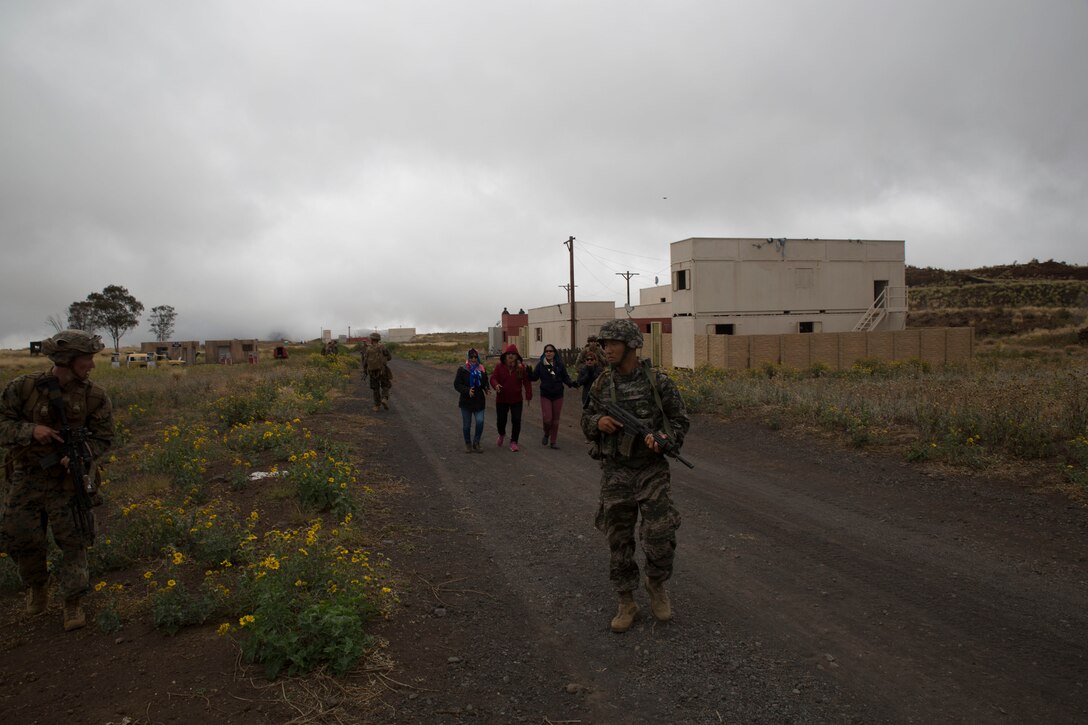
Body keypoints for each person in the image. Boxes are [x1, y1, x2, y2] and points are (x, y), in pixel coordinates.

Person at [581, 319, 689, 633]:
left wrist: (666, 441)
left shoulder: (658, 382)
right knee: (618, 538)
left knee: (659, 534)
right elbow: (586, 418)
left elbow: (680, 420)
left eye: (613, 343)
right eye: (604, 344)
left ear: (630, 345)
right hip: (616, 470)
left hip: (651, 469)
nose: (607, 349)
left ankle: (656, 584)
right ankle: (626, 600)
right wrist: (598, 422)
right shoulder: (602, 383)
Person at [0, 329, 113, 631]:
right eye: (87, 359)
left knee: (75, 538)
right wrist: (30, 431)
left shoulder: (94, 396)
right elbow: (3, 424)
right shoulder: (22, 388)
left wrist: (80, 456)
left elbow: (104, 438)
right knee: (21, 537)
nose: (91, 365)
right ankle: (38, 587)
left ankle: (72, 601)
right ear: (67, 359)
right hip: (26, 477)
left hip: (66, 481)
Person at [489, 343, 532, 452]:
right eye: (509, 354)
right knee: (501, 421)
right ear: (505, 356)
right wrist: (496, 385)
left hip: (516, 399)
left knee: (516, 420)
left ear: (517, 356)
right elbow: (493, 378)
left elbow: (526, 382)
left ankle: (514, 441)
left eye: (513, 354)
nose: (511, 356)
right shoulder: (499, 366)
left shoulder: (521, 368)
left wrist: (528, 395)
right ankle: (502, 434)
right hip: (502, 399)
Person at [532, 343, 575, 449]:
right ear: (544, 353)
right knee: (547, 419)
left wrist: (572, 383)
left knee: (555, 420)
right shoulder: (541, 365)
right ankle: (546, 433)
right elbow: (534, 378)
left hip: (558, 394)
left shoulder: (559, 365)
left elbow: (565, 377)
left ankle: (553, 441)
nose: (549, 353)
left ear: (554, 353)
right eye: (546, 351)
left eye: (551, 351)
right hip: (546, 394)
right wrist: (528, 374)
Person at [453, 348, 490, 453]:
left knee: (480, 421)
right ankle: (468, 443)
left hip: (479, 401)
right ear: (468, 358)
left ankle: (476, 442)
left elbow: (485, 382)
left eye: (475, 357)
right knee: (466, 425)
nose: (473, 359)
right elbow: (457, 384)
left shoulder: (482, 369)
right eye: (471, 357)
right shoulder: (462, 369)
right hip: (466, 402)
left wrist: (487, 388)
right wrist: (467, 390)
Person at [362, 331, 392, 410]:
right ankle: (384, 398)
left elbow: (365, 362)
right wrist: (383, 360)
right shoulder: (383, 347)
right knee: (386, 385)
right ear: (378, 339)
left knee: (375, 388)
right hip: (383, 370)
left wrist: (365, 371)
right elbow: (389, 357)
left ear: (371, 339)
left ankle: (377, 406)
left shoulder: (368, 349)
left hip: (372, 371)